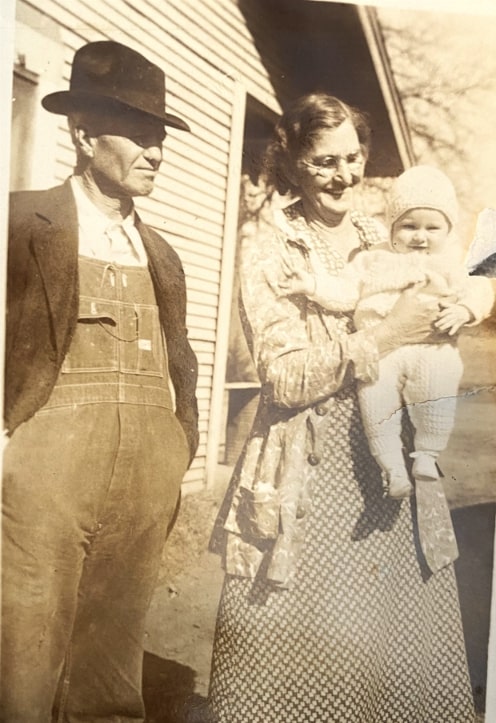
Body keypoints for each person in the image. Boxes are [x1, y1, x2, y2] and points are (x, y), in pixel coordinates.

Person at [208, 94, 476, 722]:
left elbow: (451, 300)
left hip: (388, 464)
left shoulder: (383, 234)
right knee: (292, 648)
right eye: (324, 161)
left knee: (388, 644)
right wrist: (384, 337)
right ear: (292, 162)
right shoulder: (269, 251)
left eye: (353, 157)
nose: (345, 175)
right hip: (306, 468)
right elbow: (281, 379)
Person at [2, 41, 199, 721]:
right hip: (44, 477)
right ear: (84, 134)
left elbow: (182, 370)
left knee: (112, 679)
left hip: (145, 477)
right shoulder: (20, 223)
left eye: (160, 136)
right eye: (138, 134)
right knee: (22, 666)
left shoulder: (165, 255)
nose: (156, 151)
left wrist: (175, 452)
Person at [278, 165, 494, 500]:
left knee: (437, 388)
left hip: (431, 347)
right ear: (392, 227)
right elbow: (347, 290)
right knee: (375, 402)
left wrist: (464, 310)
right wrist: (313, 285)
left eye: (432, 228)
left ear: (448, 230)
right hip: (382, 350)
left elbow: (480, 289)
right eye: (408, 226)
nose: (420, 236)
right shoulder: (373, 259)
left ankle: (427, 454)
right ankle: (392, 468)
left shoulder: (451, 262)